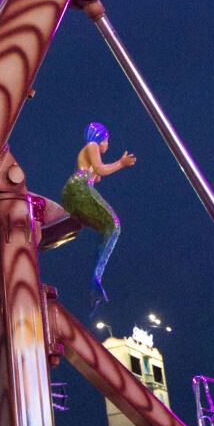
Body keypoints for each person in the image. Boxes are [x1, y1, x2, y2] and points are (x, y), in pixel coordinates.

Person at [58, 122, 135, 304]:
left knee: (105, 228)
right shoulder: (92, 146)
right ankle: (96, 277)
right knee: (113, 225)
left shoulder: (87, 156)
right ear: (100, 138)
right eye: (107, 141)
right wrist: (121, 164)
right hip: (79, 187)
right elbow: (100, 169)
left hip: (75, 191)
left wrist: (95, 175)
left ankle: (96, 280)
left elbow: (96, 174)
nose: (107, 145)